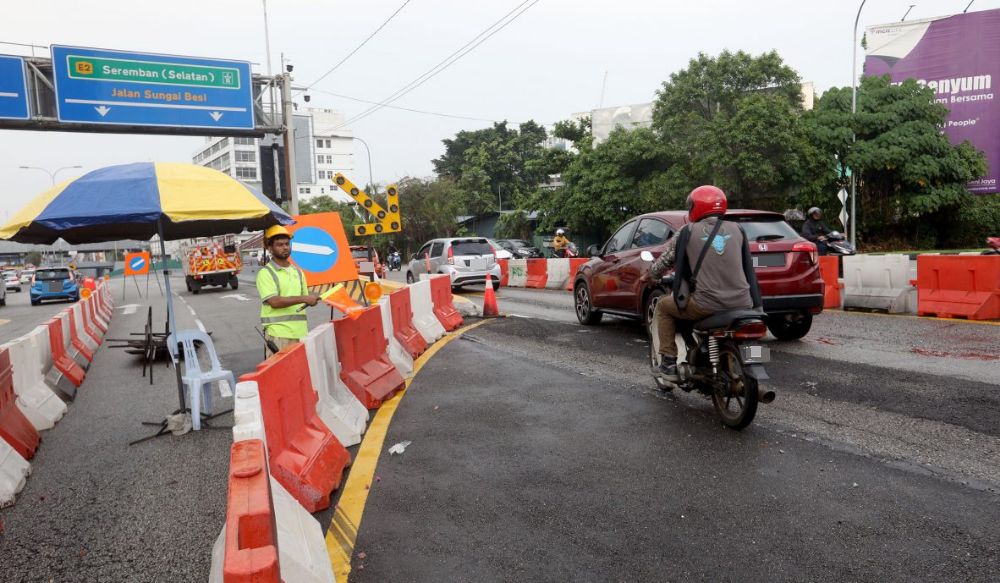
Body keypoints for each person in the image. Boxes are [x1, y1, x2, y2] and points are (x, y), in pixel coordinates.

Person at [639, 186, 762, 381]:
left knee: (663, 305)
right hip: (743, 303)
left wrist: (650, 276)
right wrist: (757, 305)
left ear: (697, 207)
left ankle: (669, 363)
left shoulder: (687, 231)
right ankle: (758, 364)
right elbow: (748, 268)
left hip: (707, 304)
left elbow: (666, 260)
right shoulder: (738, 229)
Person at [256, 225, 320, 355]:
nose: (285, 247)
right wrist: (304, 298)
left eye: (287, 244)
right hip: (278, 335)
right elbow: (274, 301)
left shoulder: (298, 272)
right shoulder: (266, 273)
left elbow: (304, 300)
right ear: (270, 249)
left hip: (301, 333)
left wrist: (314, 299)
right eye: (280, 245)